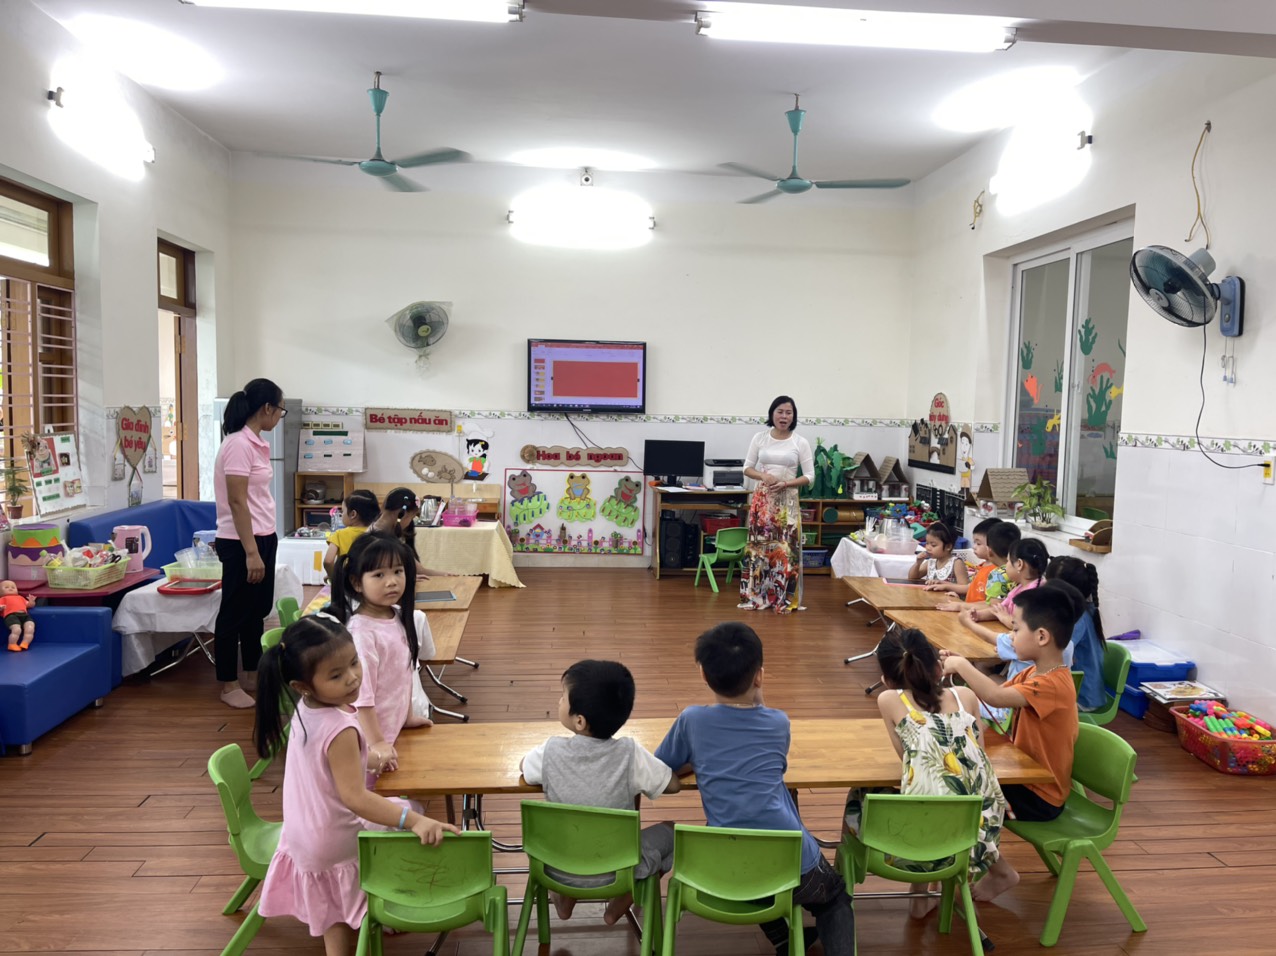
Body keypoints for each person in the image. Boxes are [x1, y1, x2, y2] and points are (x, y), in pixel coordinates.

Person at [253, 616, 458, 956]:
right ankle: (380, 914)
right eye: (336, 675)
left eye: (354, 662)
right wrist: (415, 821)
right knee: (407, 812)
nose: (352, 677)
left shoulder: (305, 710)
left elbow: (324, 768)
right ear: (303, 685)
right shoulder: (341, 728)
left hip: (301, 832)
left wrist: (369, 760)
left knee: (331, 905)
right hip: (334, 840)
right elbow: (355, 798)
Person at [655, 622, 854, 956]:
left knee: (752, 876)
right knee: (834, 898)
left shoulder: (691, 721)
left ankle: (784, 940)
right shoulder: (778, 723)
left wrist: (697, 758)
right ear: (759, 676)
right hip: (790, 860)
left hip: (726, 865)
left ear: (703, 674)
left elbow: (661, 767)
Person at [843, 628, 1007, 918]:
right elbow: (980, 757)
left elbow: (906, 757)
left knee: (863, 794)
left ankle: (857, 884)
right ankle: (951, 885)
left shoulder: (889, 700)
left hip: (912, 849)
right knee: (947, 792)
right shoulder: (966, 696)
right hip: (976, 838)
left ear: (887, 680)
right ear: (938, 667)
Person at [941, 586, 1081, 901]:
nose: (1010, 636)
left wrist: (962, 666)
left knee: (958, 798)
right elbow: (997, 692)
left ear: (1042, 636)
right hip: (1024, 776)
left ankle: (999, 871)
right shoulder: (1034, 673)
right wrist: (961, 667)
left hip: (1040, 795)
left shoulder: (1053, 684)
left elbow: (994, 696)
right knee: (955, 782)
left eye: (1015, 629)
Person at [520, 659, 680, 924]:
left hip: (557, 864)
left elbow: (524, 768)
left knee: (573, 839)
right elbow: (672, 785)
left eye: (563, 697)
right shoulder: (631, 753)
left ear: (579, 721)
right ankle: (618, 906)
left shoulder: (550, 751)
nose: (559, 701)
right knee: (671, 831)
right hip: (619, 869)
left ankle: (564, 900)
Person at [330, 532, 437, 779]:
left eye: (398, 571)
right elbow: (362, 697)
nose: (392, 582)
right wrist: (377, 743)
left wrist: (407, 717)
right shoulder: (362, 633)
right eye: (379, 575)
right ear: (357, 583)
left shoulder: (396, 615)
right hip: (370, 743)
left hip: (391, 732)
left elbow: (403, 676)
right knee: (376, 794)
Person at [213, 378, 286, 709]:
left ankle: (253, 673)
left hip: (263, 535)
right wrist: (251, 552)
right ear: (267, 408)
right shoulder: (238, 444)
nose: (280, 416)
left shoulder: (257, 443)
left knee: (256, 610)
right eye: (280, 409)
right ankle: (228, 684)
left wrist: (262, 544)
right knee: (234, 611)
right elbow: (237, 501)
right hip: (241, 540)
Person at [739, 396, 815, 614]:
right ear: (772, 414)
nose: (784, 416)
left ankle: (783, 598)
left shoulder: (800, 442)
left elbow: (810, 476)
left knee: (785, 550)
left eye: (789, 413)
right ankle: (757, 595)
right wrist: (763, 476)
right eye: (780, 412)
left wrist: (786, 483)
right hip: (763, 501)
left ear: (794, 416)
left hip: (787, 501)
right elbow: (747, 468)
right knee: (760, 548)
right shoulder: (760, 438)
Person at [958, 538, 1051, 679]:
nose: (1005, 566)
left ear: (1019, 564)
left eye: (1008, 561)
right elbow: (999, 609)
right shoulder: (1019, 587)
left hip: (1023, 653)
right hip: (1012, 642)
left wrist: (1007, 619)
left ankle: (988, 690)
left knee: (982, 662)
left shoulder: (1036, 594)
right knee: (982, 662)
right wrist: (978, 615)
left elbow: (1028, 628)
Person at [1044, 556, 1108, 711]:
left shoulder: (1078, 618)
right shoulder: (1084, 610)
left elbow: (1056, 653)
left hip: (1082, 698)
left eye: (1048, 582)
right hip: (1082, 692)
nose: (1044, 585)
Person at [927, 517, 1000, 602]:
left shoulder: (996, 572)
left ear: (993, 545)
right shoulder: (982, 566)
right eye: (974, 543)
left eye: (978, 543)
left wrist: (962, 604)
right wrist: (944, 584)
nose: (974, 547)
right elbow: (970, 587)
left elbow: (989, 603)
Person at [322, 489, 379, 583]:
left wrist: (333, 577)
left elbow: (328, 561)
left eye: (343, 511)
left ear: (353, 514)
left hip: (346, 582)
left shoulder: (339, 534)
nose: (342, 514)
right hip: (371, 582)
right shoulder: (377, 534)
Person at [372, 487, 429, 579]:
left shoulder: (390, 533)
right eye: (412, 517)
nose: (410, 523)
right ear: (403, 514)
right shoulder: (376, 538)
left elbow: (419, 570)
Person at [907, 521, 969, 587]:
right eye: (927, 543)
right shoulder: (931, 562)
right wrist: (918, 563)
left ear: (948, 546)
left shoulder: (956, 563)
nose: (928, 548)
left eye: (933, 545)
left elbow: (964, 587)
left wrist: (945, 585)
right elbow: (912, 578)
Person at [1, 579, 35, 651]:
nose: (10, 588)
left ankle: (25, 643)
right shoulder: (3, 599)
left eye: (13, 587)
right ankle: (12, 644)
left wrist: (32, 601)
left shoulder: (21, 598)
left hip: (24, 615)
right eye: (6, 587)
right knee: (16, 629)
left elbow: (29, 605)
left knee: (30, 627)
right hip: (11, 616)